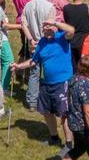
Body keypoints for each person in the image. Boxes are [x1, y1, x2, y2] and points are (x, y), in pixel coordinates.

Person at [18, 16, 77, 150]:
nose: (47, 30)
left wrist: (55, 23)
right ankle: (54, 137)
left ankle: (68, 144)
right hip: (46, 83)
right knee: (47, 111)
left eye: (49, 27)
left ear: (55, 28)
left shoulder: (62, 38)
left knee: (64, 114)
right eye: (44, 28)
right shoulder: (42, 43)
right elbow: (33, 61)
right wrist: (18, 66)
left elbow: (72, 30)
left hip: (62, 82)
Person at [62, 0, 89, 71]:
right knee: (86, 67)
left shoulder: (66, 8)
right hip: (86, 41)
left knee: (74, 66)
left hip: (72, 41)